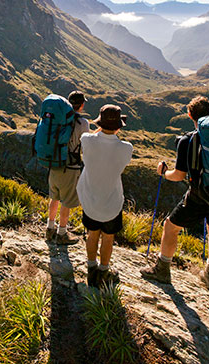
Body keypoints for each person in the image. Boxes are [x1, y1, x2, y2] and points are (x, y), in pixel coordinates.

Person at [140, 95, 209, 291]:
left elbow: (178, 176)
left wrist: (163, 173)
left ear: (189, 115)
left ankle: (162, 269)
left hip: (199, 194)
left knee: (170, 226)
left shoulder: (188, 140)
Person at [77, 104, 133, 287]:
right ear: (119, 127)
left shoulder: (87, 140)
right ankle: (103, 270)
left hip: (90, 199)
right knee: (108, 237)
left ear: (99, 124)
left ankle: (91, 267)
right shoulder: (126, 148)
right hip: (112, 202)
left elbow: (90, 137)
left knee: (92, 234)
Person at [46, 90, 91, 245]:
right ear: (82, 105)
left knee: (55, 197)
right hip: (70, 167)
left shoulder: (58, 118)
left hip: (54, 163)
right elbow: (85, 146)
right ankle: (62, 233)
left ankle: (50, 228)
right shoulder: (83, 123)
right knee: (66, 201)